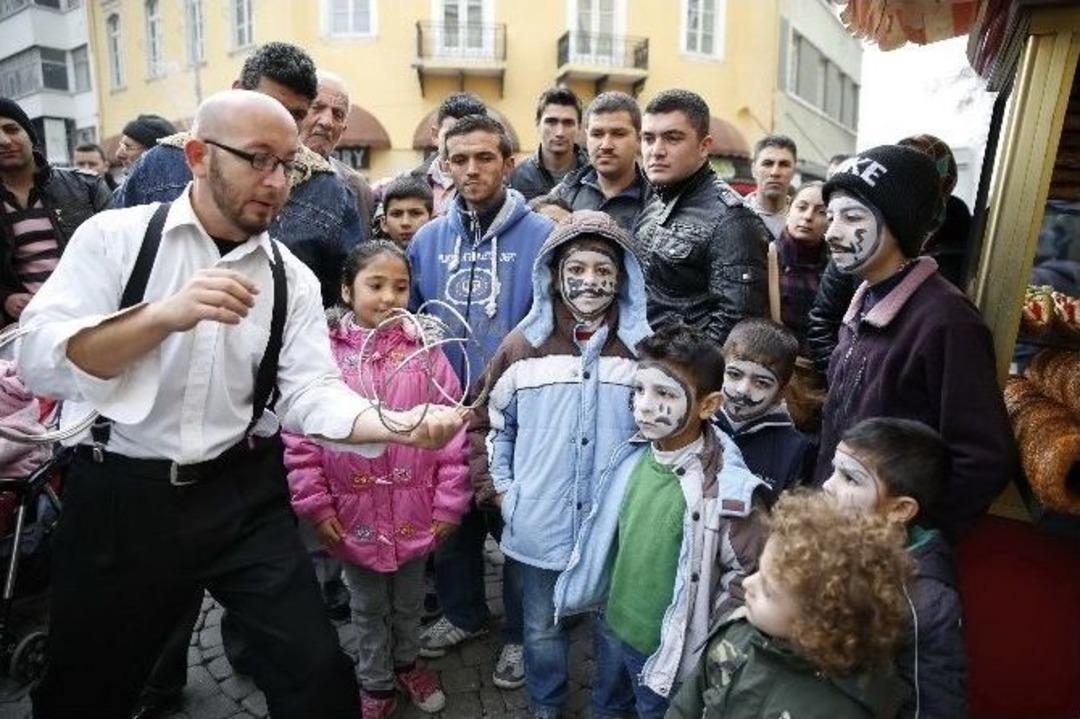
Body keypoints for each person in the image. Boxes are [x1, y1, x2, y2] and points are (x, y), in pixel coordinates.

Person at [19, 90, 465, 719]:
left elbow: (311, 391)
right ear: (199, 156)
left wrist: (397, 425)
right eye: (259, 159)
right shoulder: (115, 238)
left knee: (317, 678)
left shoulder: (291, 278)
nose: (277, 181)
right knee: (85, 686)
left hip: (240, 492)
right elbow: (41, 357)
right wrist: (162, 316)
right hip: (122, 494)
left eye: (289, 165)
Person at [470, 210, 650, 718]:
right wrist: (501, 492)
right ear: (553, 273)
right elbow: (486, 425)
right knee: (540, 627)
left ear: (624, 279)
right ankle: (545, 706)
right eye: (577, 268)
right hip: (539, 520)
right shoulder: (521, 348)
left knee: (615, 626)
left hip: (618, 524)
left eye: (603, 270)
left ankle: (609, 709)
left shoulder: (643, 352)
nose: (590, 281)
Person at [283, 240, 471, 718]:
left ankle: (408, 663)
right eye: (376, 285)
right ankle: (376, 682)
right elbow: (302, 437)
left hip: (414, 511)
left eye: (400, 286)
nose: (389, 297)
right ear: (346, 290)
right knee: (366, 607)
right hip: (353, 514)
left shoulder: (426, 353)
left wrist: (449, 504)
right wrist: (317, 506)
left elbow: (452, 431)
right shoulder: (321, 357)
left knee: (408, 603)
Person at [553, 323, 767, 718]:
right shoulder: (630, 456)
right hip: (612, 624)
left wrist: (706, 644)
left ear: (708, 405)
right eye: (639, 391)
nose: (644, 406)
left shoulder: (728, 490)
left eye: (665, 393)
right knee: (606, 705)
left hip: (668, 650)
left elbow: (748, 578)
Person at [409, 113, 552, 689]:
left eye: (484, 157)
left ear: (508, 163)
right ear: (443, 165)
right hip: (447, 408)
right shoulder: (426, 239)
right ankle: (464, 613)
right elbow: (416, 321)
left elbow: (552, 321)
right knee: (452, 519)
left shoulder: (542, 237)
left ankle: (521, 635)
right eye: (459, 159)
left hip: (514, 413)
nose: (471, 169)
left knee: (515, 523)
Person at [812, 145, 1017, 538]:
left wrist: (915, 537)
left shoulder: (946, 321)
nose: (832, 232)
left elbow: (984, 458)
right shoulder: (863, 303)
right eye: (832, 215)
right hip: (838, 535)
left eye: (852, 217)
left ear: (899, 223)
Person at [112, 42, 364, 309]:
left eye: (296, 115)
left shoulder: (326, 190)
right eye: (268, 105)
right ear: (198, 158)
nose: (280, 121)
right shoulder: (160, 167)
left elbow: (344, 300)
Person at [666, 491, 911, 719]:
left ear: (815, 623)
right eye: (759, 570)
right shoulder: (734, 634)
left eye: (769, 591)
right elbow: (686, 706)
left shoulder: (846, 708)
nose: (748, 583)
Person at [822, 417, 968, 719]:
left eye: (850, 479)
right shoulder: (825, 542)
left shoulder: (925, 602)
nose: (827, 485)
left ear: (900, 509)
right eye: (834, 470)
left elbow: (932, 705)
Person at [635, 89, 769, 346]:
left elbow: (734, 325)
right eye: (648, 138)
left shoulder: (733, 219)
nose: (656, 150)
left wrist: (687, 377)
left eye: (672, 138)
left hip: (682, 376)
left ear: (704, 146)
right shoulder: (654, 200)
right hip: (640, 367)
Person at [0, 98, 110, 325]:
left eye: (11, 129)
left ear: (30, 136)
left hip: (93, 314)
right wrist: (5, 297)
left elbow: (122, 250)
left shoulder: (86, 186)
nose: (4, 140)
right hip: (28, 327)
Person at [714, 318, 811, 502]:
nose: (743, 390)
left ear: (781, 391)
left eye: (761, 383)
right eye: (734, 374)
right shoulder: (695, 423)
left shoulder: (794, 448)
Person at [550, 91, 653, 232]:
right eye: (597, 134)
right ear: (587, 137)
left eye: (618, 134)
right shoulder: (563, 195)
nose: (606, 145)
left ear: (639, 139)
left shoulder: (657, 203)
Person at [300, 70, 375, 240]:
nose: (327, 122)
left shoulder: (355, 188)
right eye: (317, 108)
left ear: (343, 130)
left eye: (338, 114)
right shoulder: (268, 172)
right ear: (297, 112)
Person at [407, 92, 488, 216]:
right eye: (451, 134)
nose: (458, 143)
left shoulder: (493, 189)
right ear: (435, 135)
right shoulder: (408, 181)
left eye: (467, 135)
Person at [773, 181, 829, 349]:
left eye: (821, 212)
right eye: (802, 207)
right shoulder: (767, 256)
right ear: (789, 207)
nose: (808, 217)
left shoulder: (837, 268)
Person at [510, 86, 589, 201]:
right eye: (551, 122)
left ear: (579, 127)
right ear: (538, 124)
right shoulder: (519, 176)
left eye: (568, 123)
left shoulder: (592, 174)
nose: (560, 132)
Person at [745, 134, 798, 239]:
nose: (775, 172)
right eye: (767, 164)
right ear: (753, 170)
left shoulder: (803, 221)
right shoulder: (733, 217)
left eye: (784, 164)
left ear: (794, 171)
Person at [377, 176, 433, 248]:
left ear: (432, 220)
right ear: (384, 223)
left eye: (415, 213)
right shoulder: (372, 258)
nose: (405, 223)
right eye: (396, 214)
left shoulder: (446, 257)